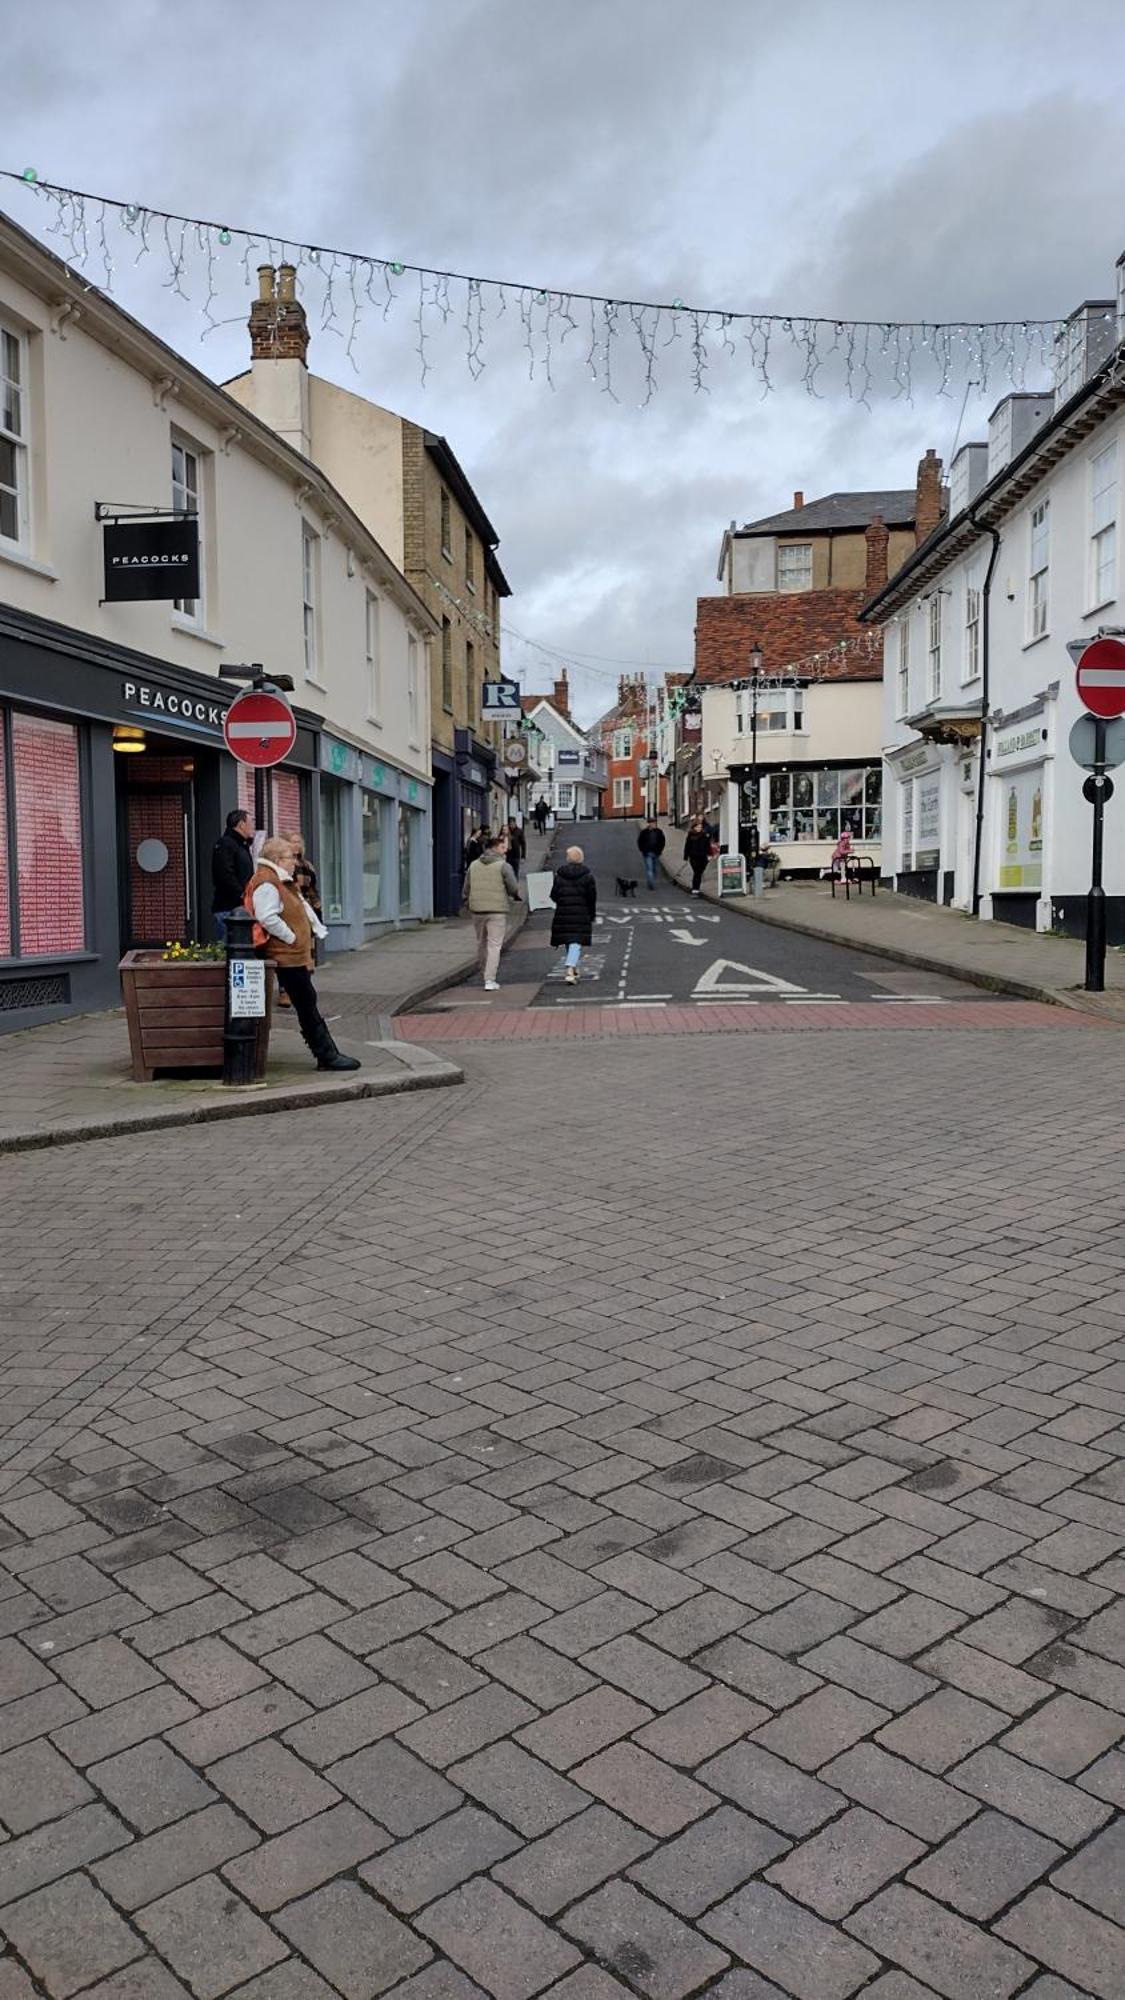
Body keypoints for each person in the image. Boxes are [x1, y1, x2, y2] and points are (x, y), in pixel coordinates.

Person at [244, 836, 359, 1071]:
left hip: (290, 954)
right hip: (284, 954)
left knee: (307, 1000)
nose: (295, 862)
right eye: (290, 857)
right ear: (276, 859)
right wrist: (291, 937)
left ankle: (326, 1053)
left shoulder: (278, 879)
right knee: (306, 1002)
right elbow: (267, 916)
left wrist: (314, 929)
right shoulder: (268, 881)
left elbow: (298, 907)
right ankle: (326, 1055)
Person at [464, 830, 521, 990]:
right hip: (497, 910)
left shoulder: (473, 865)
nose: (506, 850)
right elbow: (513, 887)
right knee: (494, 945)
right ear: (495, 848)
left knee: (481, 943)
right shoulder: (504, 866)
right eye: (503, 847)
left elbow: (466, 887)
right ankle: (489, 980)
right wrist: (515, 895)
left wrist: (467, 901)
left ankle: (484, 973)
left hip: (477, 910)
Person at [550, 844, 597, 984]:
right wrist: (592, 914)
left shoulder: (559, 875)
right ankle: (570, 968)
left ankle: (574, 967)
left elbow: (553, 895)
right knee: (576, 941)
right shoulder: (588, 876)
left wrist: (562, 901)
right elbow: (592, 897)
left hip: (563, 912)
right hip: (581, 913)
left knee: (569, 940)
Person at [211, 808, 254, 940]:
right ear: (241, 824)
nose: (252, 827)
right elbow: (224, 874)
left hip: (241, 907)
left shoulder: (241, 845)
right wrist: (241, 894)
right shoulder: (226, 844)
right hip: (229, 909)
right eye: (250, 823)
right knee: (231, 948)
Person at [684, 815, 712, 897]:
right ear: (694, 827)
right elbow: (687, 846)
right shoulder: (690, 835)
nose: (699, 828)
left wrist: (709, 855)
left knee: (699, 873)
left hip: (703, 857)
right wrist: (686, 856)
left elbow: (708, 846)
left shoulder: (704, 835)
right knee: (697, 872)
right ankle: (695, 890)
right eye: (698, 827)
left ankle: (696, 889)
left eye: (700, 827)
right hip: (694, 857)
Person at [636, 817, 666, 890]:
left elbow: (662, 841)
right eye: (652, 823)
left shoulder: (659, 832)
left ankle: (651, 880)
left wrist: (660, 850)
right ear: (649, 824)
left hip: (656, 852)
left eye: (655, 823)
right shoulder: (644, 832)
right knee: (649, 868)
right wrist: (643, 850)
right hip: (647, 853)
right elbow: (640, 842)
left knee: (654, 869)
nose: (654, 824)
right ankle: (651, 884)